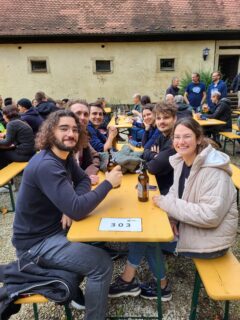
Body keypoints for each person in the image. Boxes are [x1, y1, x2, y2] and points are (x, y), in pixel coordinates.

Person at [109, 117, 238, 301]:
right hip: (193, 227)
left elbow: (211, 216)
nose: (181, 142)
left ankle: (158, 287)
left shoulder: (213, 171)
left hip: (211, 240)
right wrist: (172, 218)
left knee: (148, 236)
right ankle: (130, 280)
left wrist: (167, 205)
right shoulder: (182, 161)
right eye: (177, 137)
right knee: (144, 230)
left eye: (187, 136)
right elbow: (174, 194)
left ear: (199, 138)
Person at [12, 109, 122, 320]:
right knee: (102, 263)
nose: (70, 134)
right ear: (50, 132)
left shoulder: (64, 156)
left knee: (96, 240)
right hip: (35, 246)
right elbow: (78, 210)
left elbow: (82, 181)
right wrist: (107, 183)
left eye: (74, 129)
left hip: (54, 231)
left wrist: (69, 205)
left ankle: (79, 294)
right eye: (64, 129)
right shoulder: (46, 164)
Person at [68, 99, 100, 185]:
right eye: (78, 113)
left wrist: (88, 174)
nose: (82, 117)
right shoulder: (60, 142)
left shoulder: (82, 137)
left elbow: (95, 156)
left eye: (86, 114)